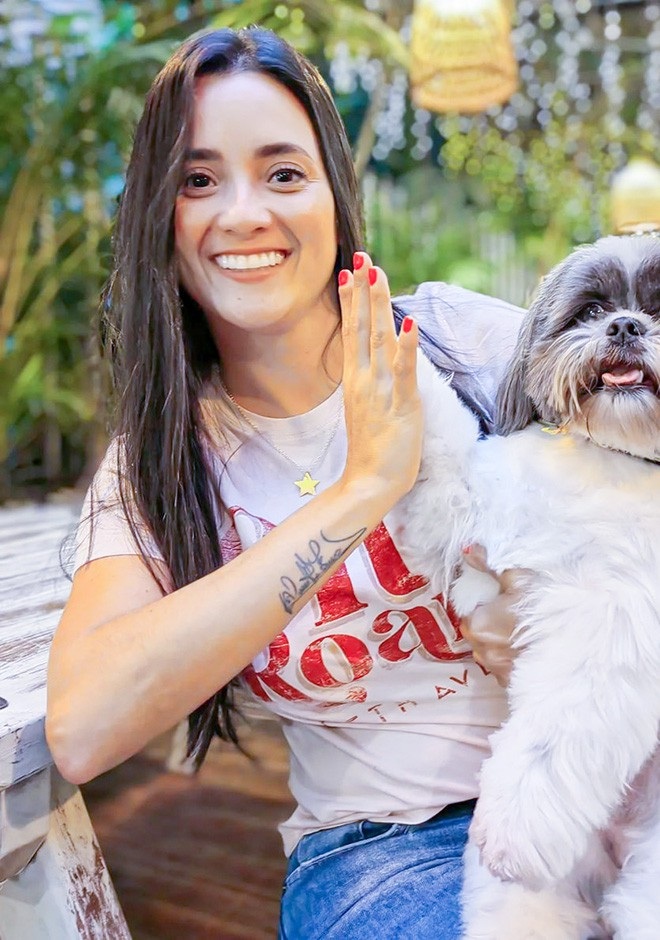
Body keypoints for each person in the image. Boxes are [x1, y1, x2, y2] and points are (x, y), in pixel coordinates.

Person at [46, 26, 524, 939]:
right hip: (388, 854)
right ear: (161, 213)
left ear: (334, 199)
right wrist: (360, 494)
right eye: (198, 180)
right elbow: (82, 726)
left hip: (613, 787)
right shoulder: (160, 459)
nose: (243, 213)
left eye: (283, 173)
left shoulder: (458, 345)